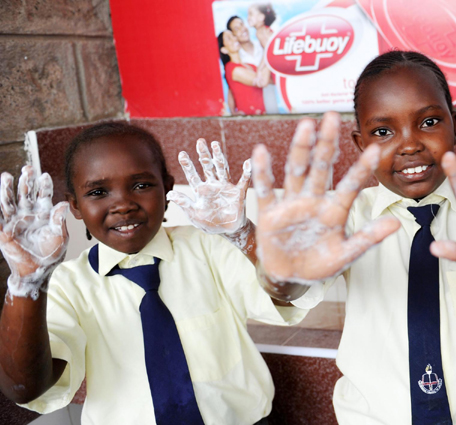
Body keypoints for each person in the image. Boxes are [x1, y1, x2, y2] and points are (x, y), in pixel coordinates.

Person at [249, 51, 456, 424]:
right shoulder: (345, 219)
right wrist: (283, 269)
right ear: (360, 144)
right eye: (383, 131)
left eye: (429, 121)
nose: (409, 145)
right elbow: (289, 289)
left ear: (454, 125)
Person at [0, 123, 306, 424]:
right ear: (75, 206)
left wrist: (243, 233)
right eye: (98, 191)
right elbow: (24, 388)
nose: (122, 204)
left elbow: (291, 292)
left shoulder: (210, 247)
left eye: (141, 185)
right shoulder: (67, 286)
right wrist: (28, 284)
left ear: (167, 188)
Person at [227, 14, 278, 114]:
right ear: (234, 36)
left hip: (274, 100)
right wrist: (232, 112)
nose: (242, 29)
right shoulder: (238, 59)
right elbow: (232, 89)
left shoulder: (261, 45)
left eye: (242, 24)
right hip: (258, 109)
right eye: (237, 29)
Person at [218, 30, 266, 115]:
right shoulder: (231, 68)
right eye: (229, 38)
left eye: (233, 35)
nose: (234, 39)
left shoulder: (250, 66)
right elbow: (261, 81)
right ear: (224, 50)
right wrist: (268, 49)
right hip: (249, 119)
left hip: (261, 116)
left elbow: (270, 80)